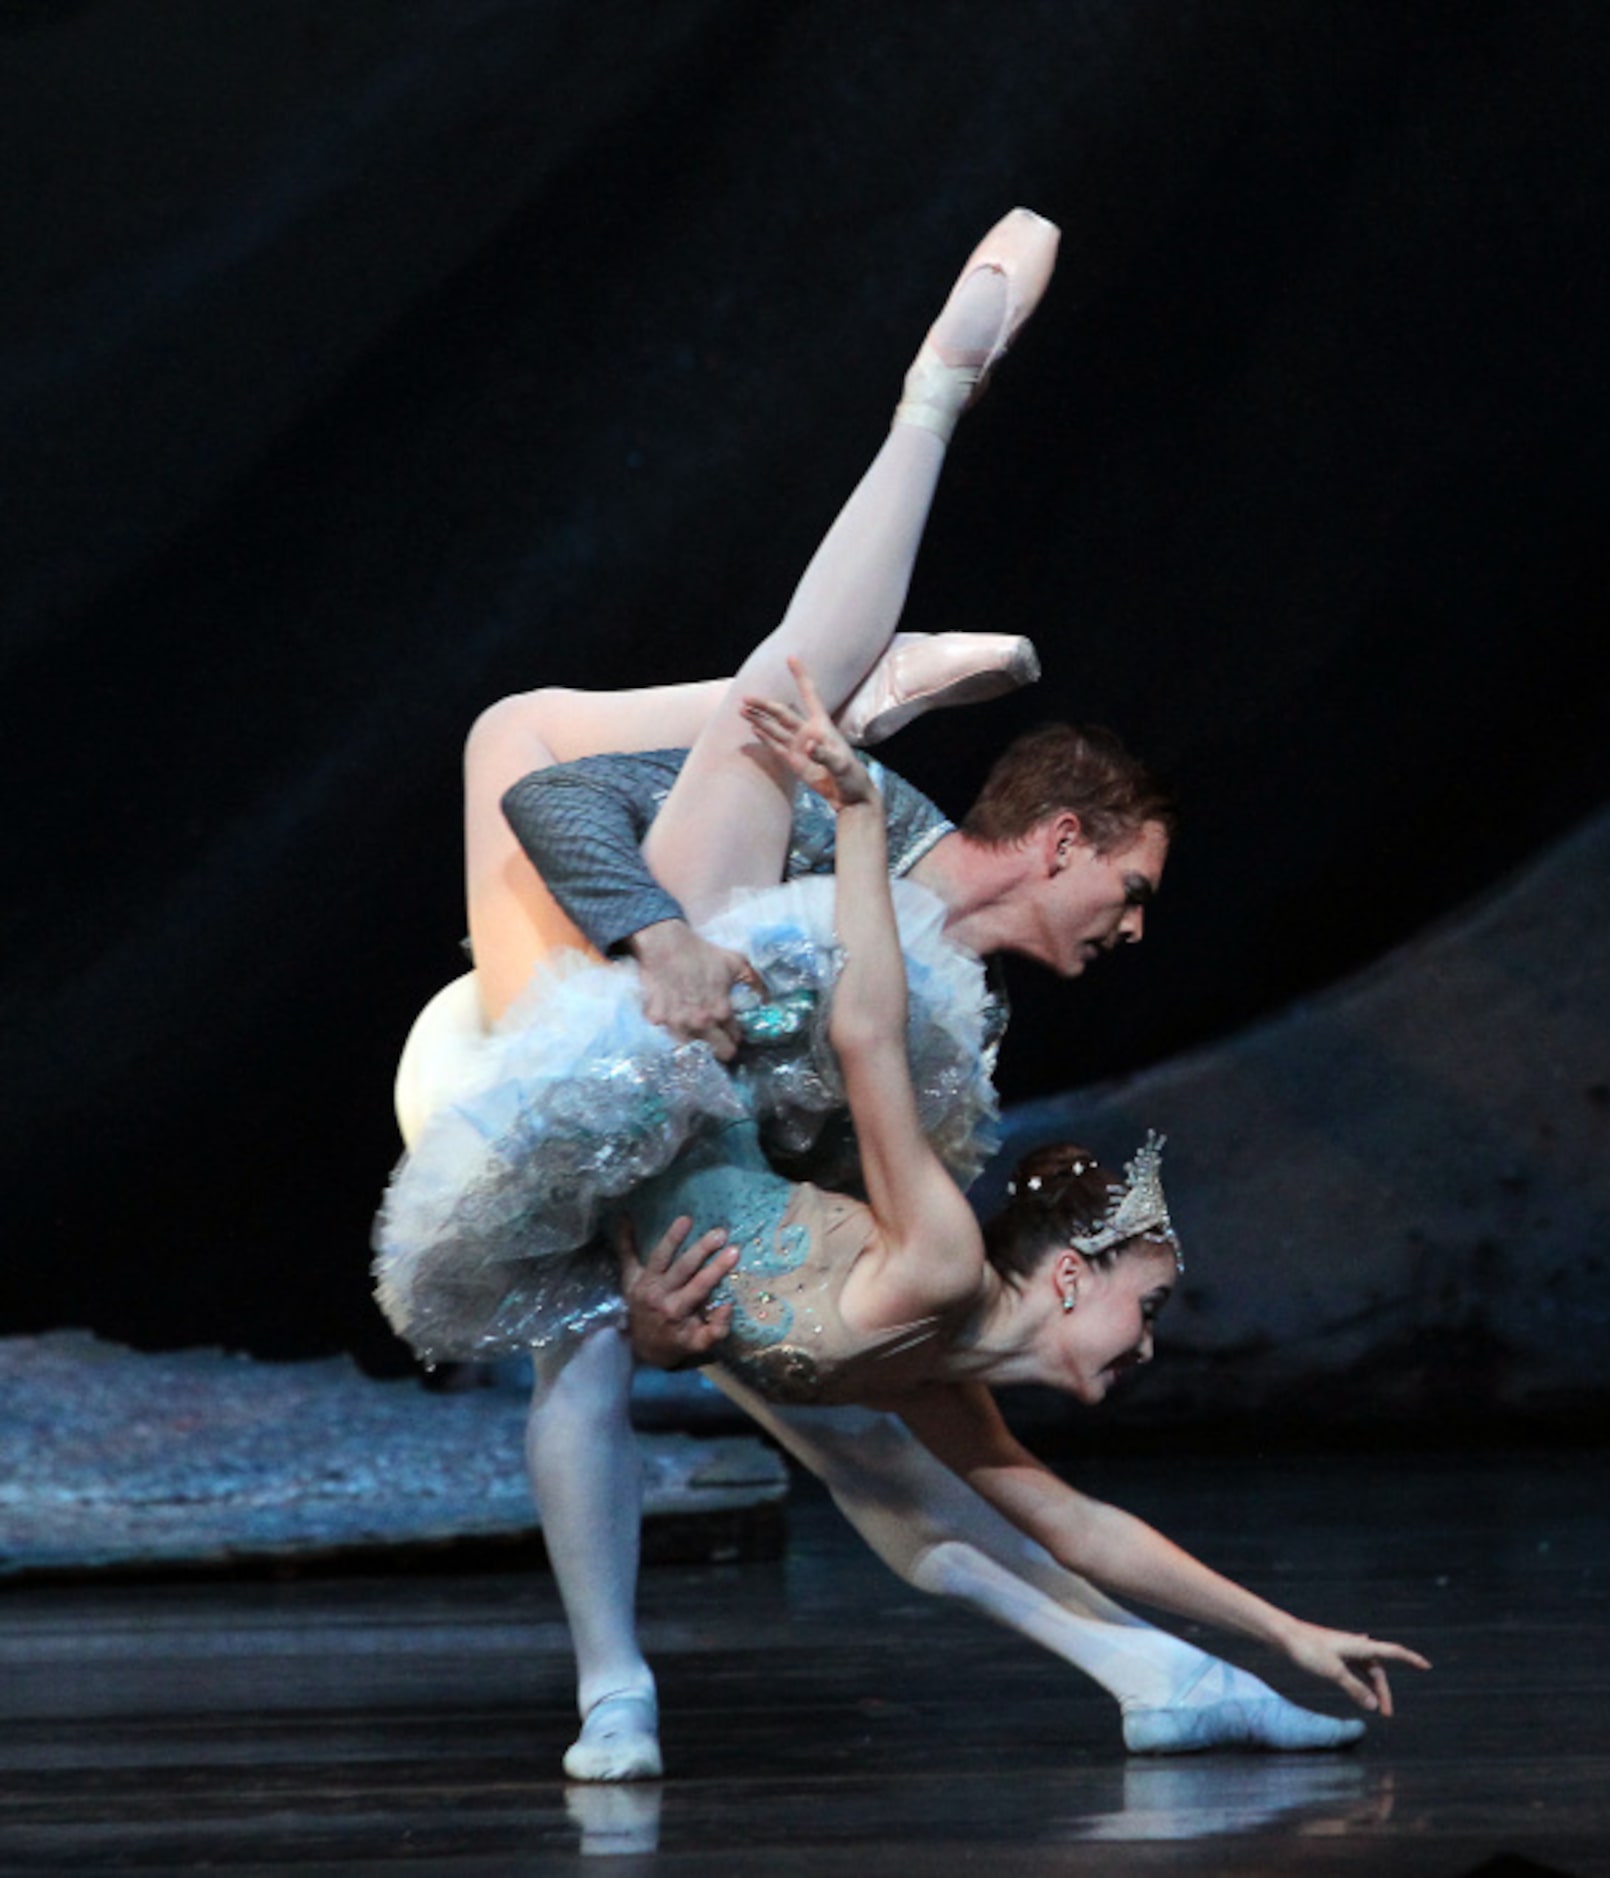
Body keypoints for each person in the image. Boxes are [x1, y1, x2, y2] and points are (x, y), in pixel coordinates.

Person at [377, 209, 1428, 1780]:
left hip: (698, 1138)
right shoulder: (863, 851)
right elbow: (564, 806)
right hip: (548, 1036)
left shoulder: (955, 1072)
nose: (1133, 929)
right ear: (1060, 839)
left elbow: (834, 1133)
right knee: (558, 728)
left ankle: (1153, 1678)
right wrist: (681, 916)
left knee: (865, 1444)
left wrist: (1273, 1629)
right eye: (1124, 890)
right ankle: (616, 1688)